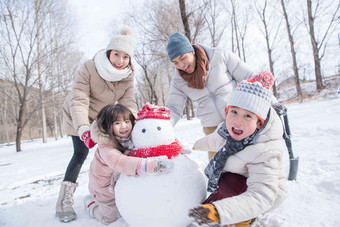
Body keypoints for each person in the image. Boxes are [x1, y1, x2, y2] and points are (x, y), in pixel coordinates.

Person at [56, 26, 138, 223]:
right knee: (80, 153)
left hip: (102, 119)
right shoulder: (90, 67)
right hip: (77, 115)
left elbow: (129, 103)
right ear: (109, 52)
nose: (120, 61)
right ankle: (64, 201)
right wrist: (83, 127)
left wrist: (136, 125)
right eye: (116, 54)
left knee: (118, 149)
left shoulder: (127, 75)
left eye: (126, 57)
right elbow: (79, 99)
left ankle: (106, 189)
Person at [188, 72, 288, 226]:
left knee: (228, 182)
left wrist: (220, 212)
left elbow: (262, 195)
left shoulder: (266, 150)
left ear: (259, 123)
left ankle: (244, 220)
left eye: (248, 116)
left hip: (268, 193)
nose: (238, 121)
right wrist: (194, 146)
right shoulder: (226, 130)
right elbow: (214, 141)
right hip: (241, 182)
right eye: (234, 112)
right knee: (221, 186)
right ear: (227, 112)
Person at [165, 32, 254, 161]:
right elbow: (173, 107)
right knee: (219, 172)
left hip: (238, 119)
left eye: (183, 57)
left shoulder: (219, 56)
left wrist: (270, 102)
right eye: (176, 62)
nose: (181, 65)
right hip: (212, 129)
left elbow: (249, 77)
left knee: (248, 161)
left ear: (192, 51)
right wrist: (163, 125)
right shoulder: (178, 80)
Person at [83, 104, 174, 224]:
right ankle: (91, 205)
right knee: (111, 218)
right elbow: (120, 162)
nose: (124, 126)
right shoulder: (106, 147)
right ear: (107, 126)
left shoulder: (132, 137)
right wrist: (151, 165)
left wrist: (170, 150)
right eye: (117, 123)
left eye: (126, 121)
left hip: (120, 183)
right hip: (105, 190)